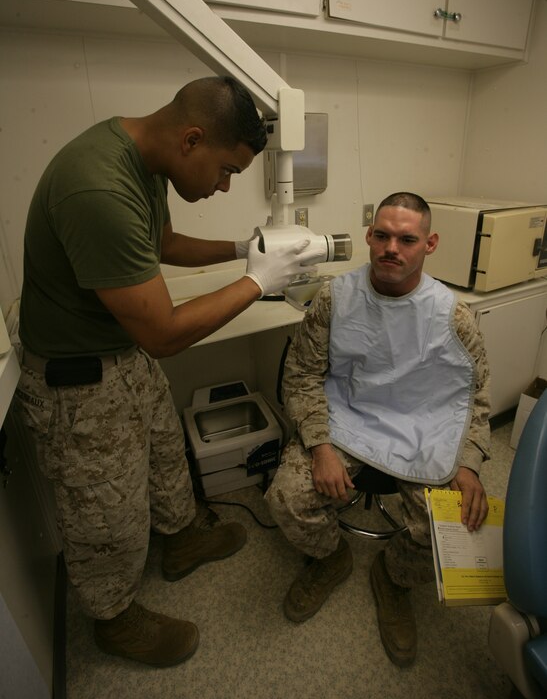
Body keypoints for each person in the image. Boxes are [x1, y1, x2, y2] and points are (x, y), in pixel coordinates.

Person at [14, 75, 322, 668]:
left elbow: (162, 243)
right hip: (77, 380)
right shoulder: (97, 187)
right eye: (226, 170)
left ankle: (182, 540)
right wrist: (261, 282)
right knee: (107, 507)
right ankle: (113, 618)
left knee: (163, 453)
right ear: (191, 140)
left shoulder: (144, 164)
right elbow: (162, 334)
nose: (225, 184)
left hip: (120, 356)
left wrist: (244, 251)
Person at [265, 192, 491, 667]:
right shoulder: (335, 298)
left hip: (421, 425)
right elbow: (302, 374)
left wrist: (468, 463)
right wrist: (320, 445)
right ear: (369, 236)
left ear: (429, 244)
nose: (393, 247)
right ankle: (331, 559)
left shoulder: (453, 316)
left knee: (453, 524)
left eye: (407, 239)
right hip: (346, 417)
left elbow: (477, 396)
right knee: (286, 496)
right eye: (383, 235)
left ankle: (394, 578)